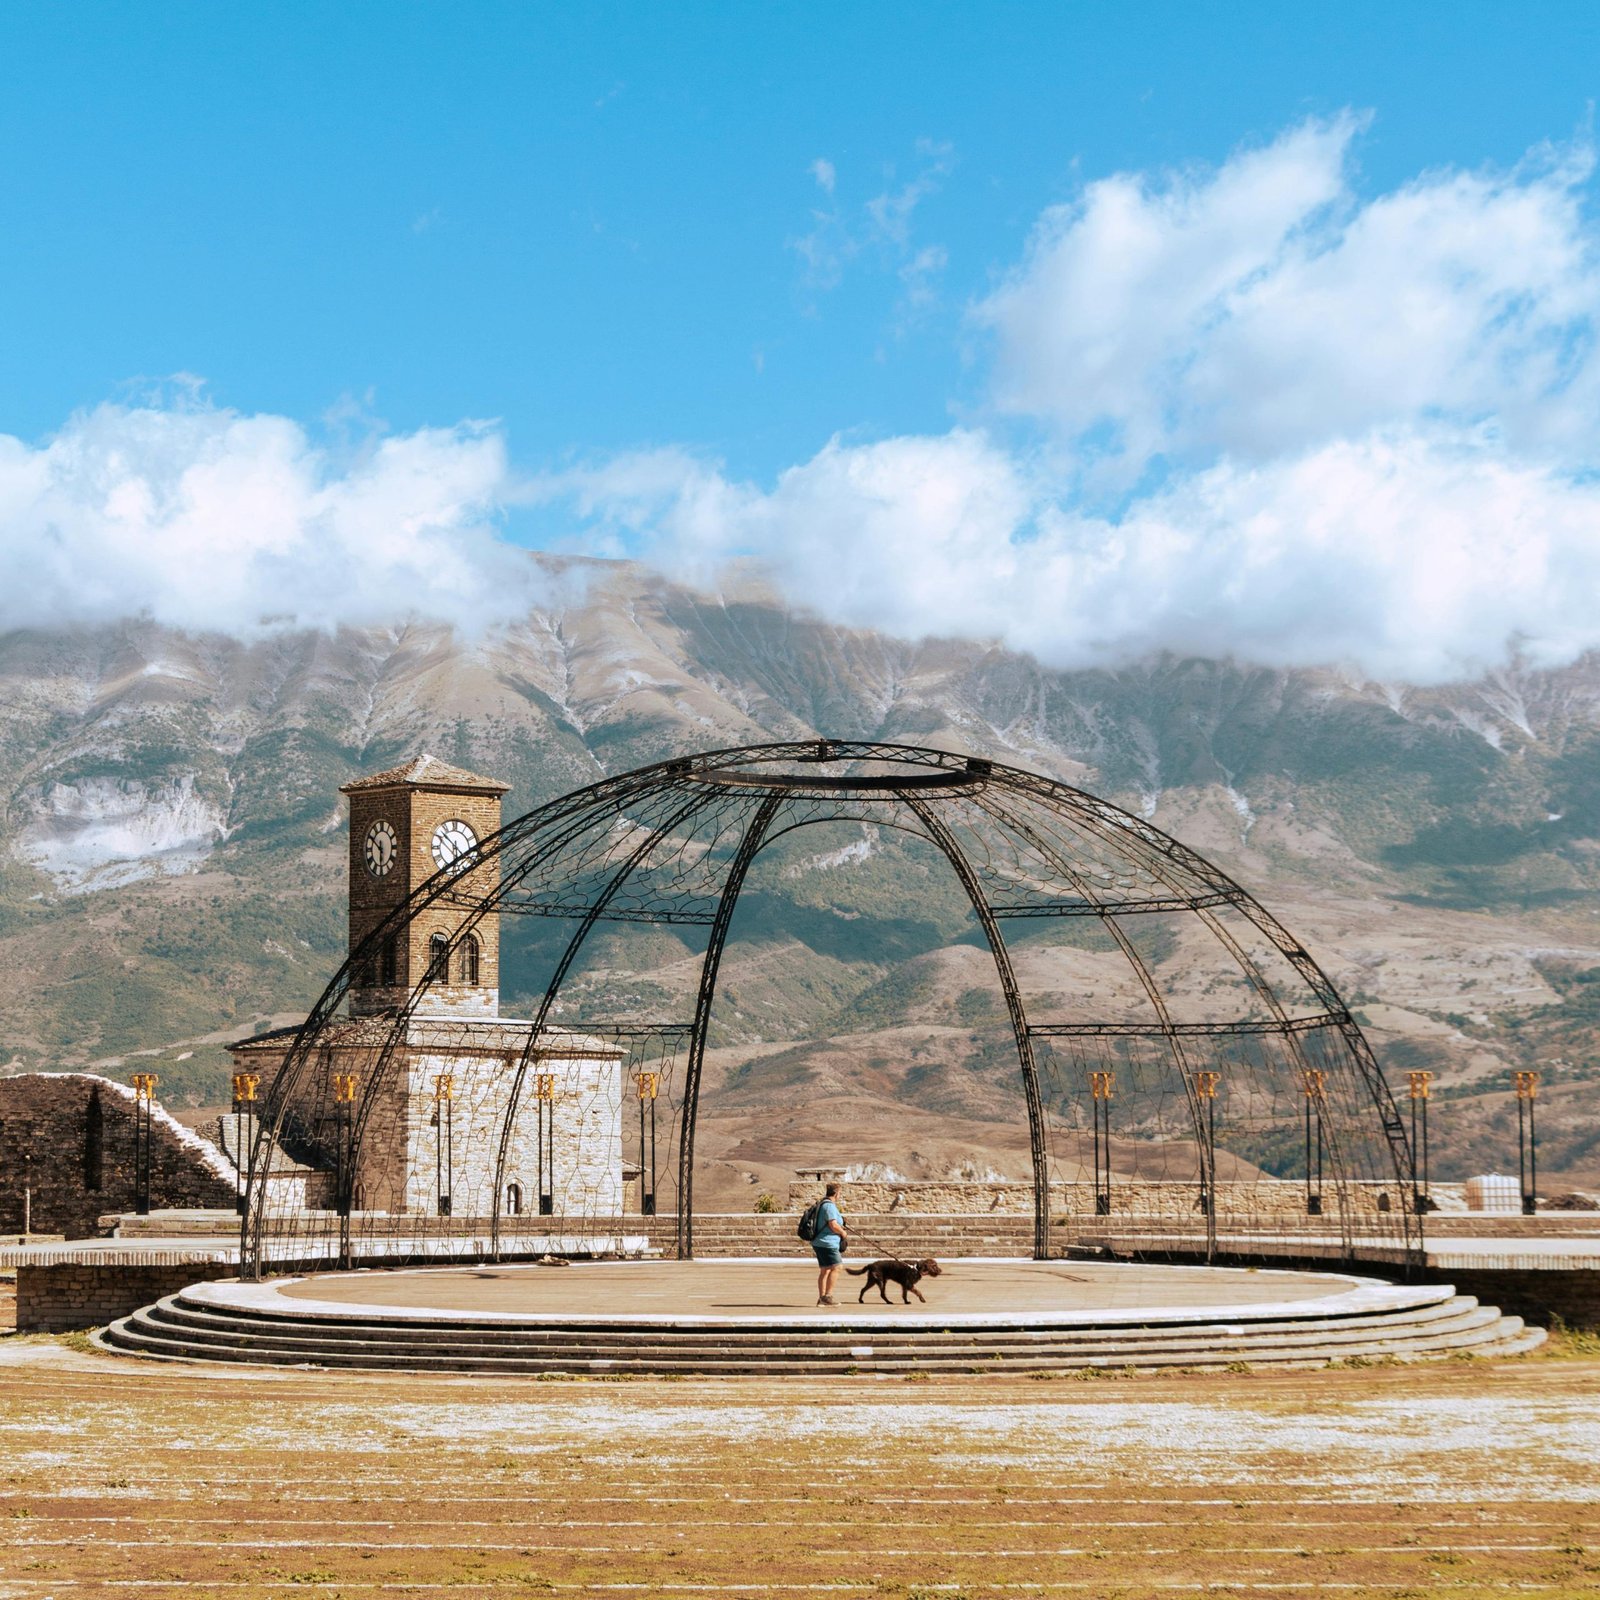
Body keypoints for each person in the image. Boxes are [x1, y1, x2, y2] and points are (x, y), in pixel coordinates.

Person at [813, 1181, 847, 1305]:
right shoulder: (829, 1206)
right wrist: (843, 1233)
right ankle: (828, 1296)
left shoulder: (823, 1204)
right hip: (828, 1242)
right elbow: (832, 1225)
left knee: (825, 1270)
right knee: (837, 1267)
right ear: (836, 1193)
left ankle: (822, 1298)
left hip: (819, 1242)